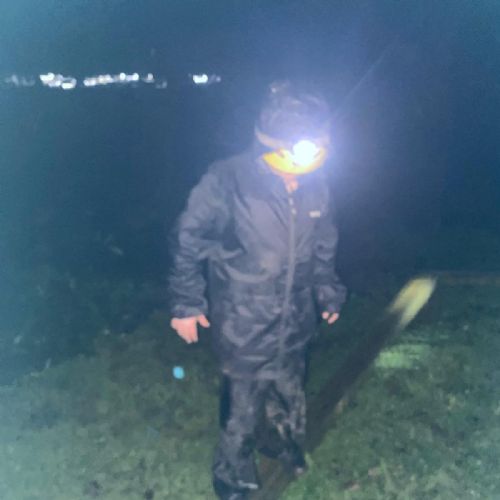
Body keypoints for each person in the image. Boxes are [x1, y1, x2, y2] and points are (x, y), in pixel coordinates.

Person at [168, 80, 347, 500]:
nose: (304, 164)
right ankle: (231, 472)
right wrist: (187, 304)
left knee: (288, 388)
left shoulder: (316, 184)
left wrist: (327, 289)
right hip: (243, 316)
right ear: (274, 144)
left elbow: (323, 244)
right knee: (244, 403)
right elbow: (186, 239)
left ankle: (280, 443)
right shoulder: (227, 179)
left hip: (295, 315)